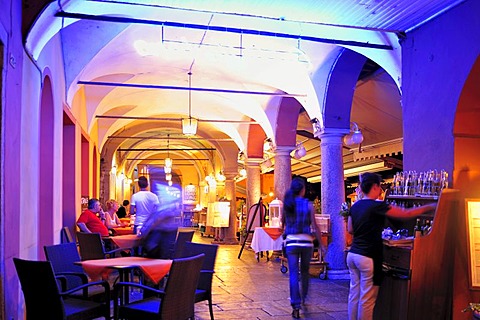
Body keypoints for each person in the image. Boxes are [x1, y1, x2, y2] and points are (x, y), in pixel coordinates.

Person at [346, 172, 436, 320]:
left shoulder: (355, 206)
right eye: (379, 186)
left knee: (354, 293)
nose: (381, 190)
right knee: (367, 299)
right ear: (375, 186)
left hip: (353, 255)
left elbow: (350, 229)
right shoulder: (378, 206)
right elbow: (405, 214)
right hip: (368, 256)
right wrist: (428, 207)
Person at [282, 177, 322, 319]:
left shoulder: (287, 204)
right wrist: (321, 244)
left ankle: (296, 305)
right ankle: (304, 297)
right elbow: (315, 225)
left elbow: (283, 223)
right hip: (306, 243)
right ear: (303, 190)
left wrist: (284, 236)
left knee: (293, 274)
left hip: (292, 242)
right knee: (305, 272)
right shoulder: (308, 205)